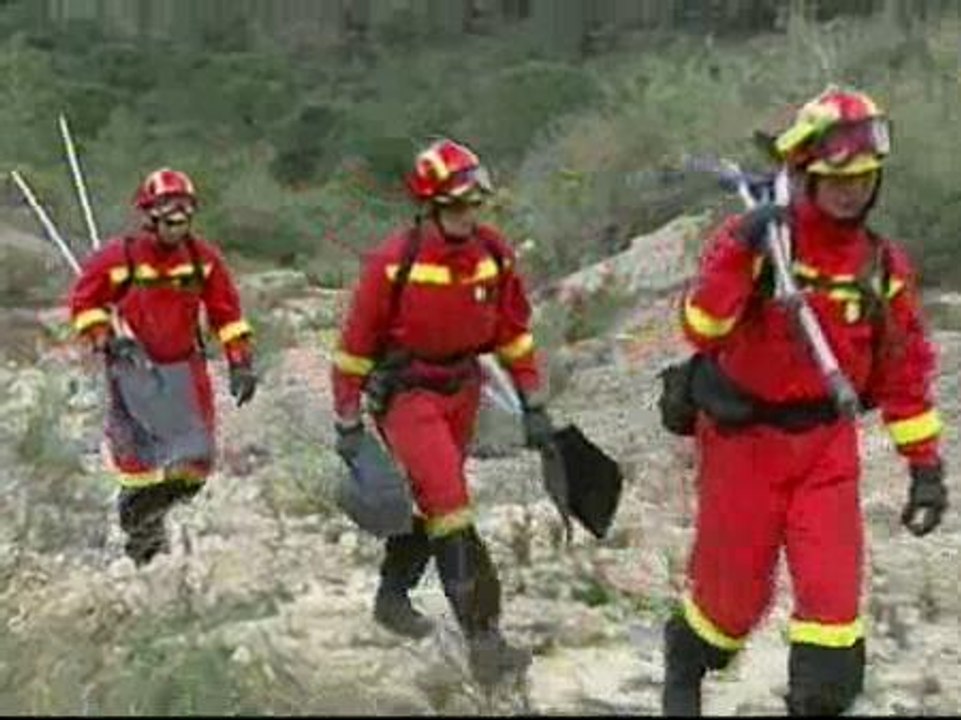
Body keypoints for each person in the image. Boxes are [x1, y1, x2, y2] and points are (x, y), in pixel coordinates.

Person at [663, 86, 948, 716]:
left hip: (826, 449)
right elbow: (701, 328)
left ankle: (817, 702)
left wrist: (924, 464)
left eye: (866, 177)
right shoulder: (761, 245)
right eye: (837, 178)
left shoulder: (881, 265)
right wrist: (742, 248)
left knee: (833, 609)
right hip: (744, 446)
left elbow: (905, 369)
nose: (853, 190)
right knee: (729, 608)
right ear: (806, 174)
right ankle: (683, 670)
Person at [330, 138, 555, 687]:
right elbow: (355, 347)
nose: (467, 215)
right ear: (431, 205)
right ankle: (485, 641)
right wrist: (348, 420)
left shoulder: (493, 254)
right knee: (450, 503)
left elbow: (514, 334)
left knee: (430, 501)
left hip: (463, 389)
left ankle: (391, 597)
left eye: (474, 205)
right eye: (456, 205)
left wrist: (534, 402)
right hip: (408, 394)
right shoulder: (394, 263)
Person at [69, 168, 258, 567]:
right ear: (149, 213)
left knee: (196, 460)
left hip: (185, 370)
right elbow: (84, 305)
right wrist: (105, 336)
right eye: (169, 208)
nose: (179, 216)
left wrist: (240, 359)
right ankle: (143, 544)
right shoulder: (115, 259)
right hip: (132, 367)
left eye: (186, 208)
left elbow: (227, 312)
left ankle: (152, 514)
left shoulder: (202, 260)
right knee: (137, 461)